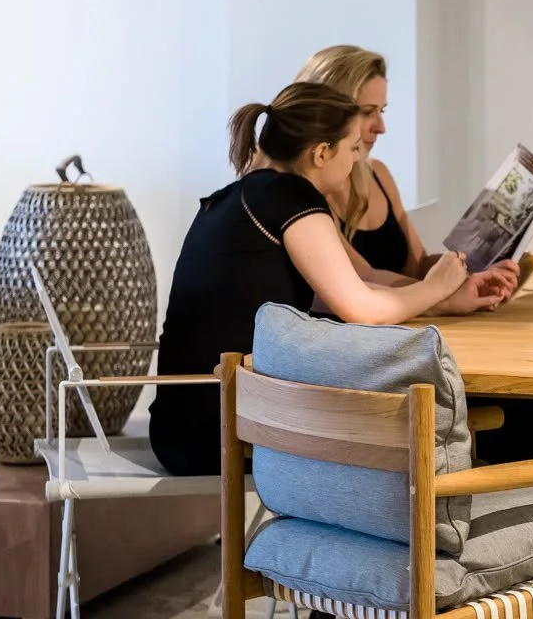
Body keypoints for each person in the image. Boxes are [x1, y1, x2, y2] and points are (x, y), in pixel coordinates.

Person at [148, 82, 508, 477]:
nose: (357, 160)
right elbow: (361, 309)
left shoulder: (237, 197)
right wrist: (435, 286)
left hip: (181, 430)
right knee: (457, 406)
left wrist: (444, 300)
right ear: (321, 153)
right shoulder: (291, 196)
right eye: (352, 148)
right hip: (223, 434)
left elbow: (340, 293)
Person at [293, 44, 533, 465]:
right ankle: (498, 494)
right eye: (368, 112)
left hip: (410, 335)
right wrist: (445, 293)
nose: (380, 127)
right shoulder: (306, 196)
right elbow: (364, 280)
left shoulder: (378, 176)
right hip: (367, 356)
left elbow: (416, 264)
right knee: (516, 391)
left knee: (526, 384)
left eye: (382, 111)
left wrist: (477, 263)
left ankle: (507, 495)